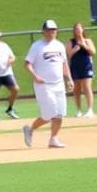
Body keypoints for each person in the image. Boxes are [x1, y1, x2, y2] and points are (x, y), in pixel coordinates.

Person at [22, 20, 74, 149]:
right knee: (49, 114)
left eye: (54, 30)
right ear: (43, 31)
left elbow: (64, 64)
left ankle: (53, 139)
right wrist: (35, 76)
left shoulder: (60, 46)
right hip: (43, 85)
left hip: (59, 84)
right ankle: (30, 129)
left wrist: (69, 79)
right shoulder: (37, 46)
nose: (52, 32)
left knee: (60, 114)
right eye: (49, 30)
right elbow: (27, 64)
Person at [67, 22, 96, 118]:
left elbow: (93, 52)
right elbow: (68, 55)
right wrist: (74, 50)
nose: (78, 31)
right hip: (75, 67)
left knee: (87, 87)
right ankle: (78, 110)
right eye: (76, 29)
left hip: (86, 66)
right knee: (77, 89)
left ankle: (90, 110)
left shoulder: (87, 40)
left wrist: (84, 45)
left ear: (83, 30)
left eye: (79, 29)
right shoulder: (71, 42)